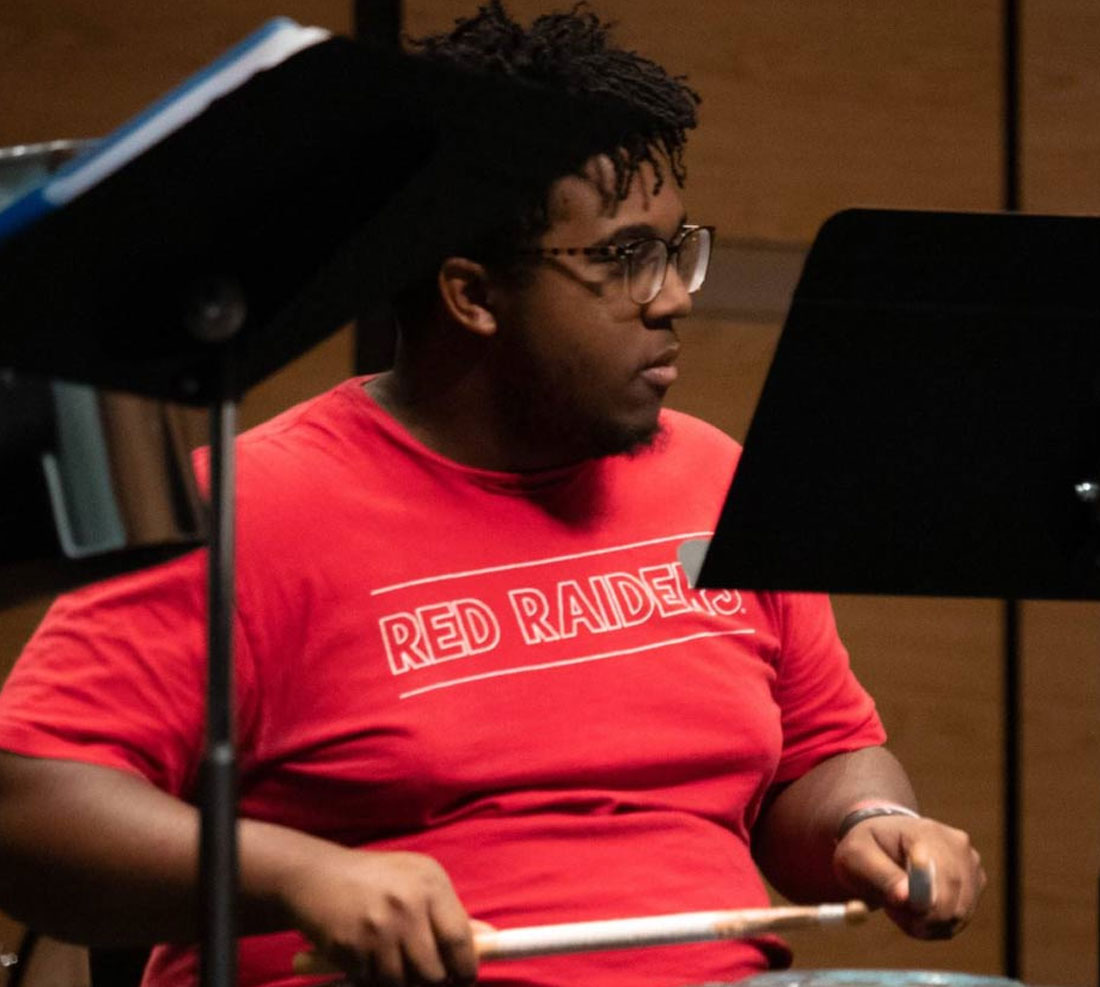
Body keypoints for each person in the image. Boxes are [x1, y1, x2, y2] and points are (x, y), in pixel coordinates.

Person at [0, 5, 984, 987]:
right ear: (471, 295)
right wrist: (302, 874)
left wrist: (872, 823)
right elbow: (29, 802)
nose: (673, 297)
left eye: (673, 248)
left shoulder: (713, 477)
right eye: (622, 258)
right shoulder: (254, 504)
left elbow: (819, 757)